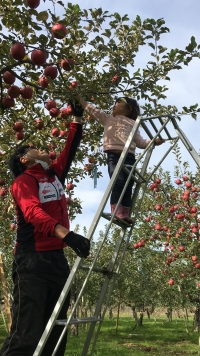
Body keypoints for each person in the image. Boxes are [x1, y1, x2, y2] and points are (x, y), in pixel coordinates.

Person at [0, 118, 90, 356]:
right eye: (33, 148)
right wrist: (67, 235)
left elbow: (70, 149)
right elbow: (33, 213)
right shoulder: (23, 182)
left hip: (57, 260)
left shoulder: (54, 176)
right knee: (26, 334)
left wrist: (77, 119)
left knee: (55, 333)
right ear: (25, 159)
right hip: (32, 261)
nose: (41, 149)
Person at [71, 95, 164, 223]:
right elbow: (93, 110)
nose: (114, 104)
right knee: (119, 181)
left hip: (129, 158)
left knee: (129, 184)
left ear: (128, 109)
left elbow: (141, 142)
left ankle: (124, 213)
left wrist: (154, 142)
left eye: (119, 102)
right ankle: (116, 211)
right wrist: (81, 99)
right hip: (114, 157)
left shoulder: (134, 124)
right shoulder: (108, 119)